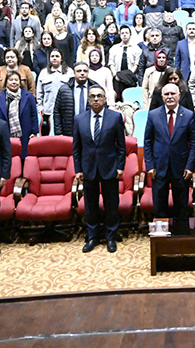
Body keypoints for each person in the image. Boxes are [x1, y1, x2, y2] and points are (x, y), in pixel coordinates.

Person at [73, 86, 127, 253]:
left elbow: (121, 146)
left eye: (99, 96)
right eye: (92, 96)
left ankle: (111, 236)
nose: (96, 99)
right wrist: (78, 169)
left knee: (111, 204)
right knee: (90, 205)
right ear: (88, 100)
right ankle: (93, 237)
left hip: (109, 167)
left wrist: (120, 166)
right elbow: (76, 148)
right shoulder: (79, 119)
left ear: (105, 99)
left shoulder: (115, 117)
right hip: (88, 168)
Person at [144, 83, 195, 220]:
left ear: (179, 95)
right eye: (166, 94)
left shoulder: (188, 115)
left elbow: (193, 144)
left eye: (173, 94)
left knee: (181, 208)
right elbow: (148, 142)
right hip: (159, 167)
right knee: (159, 207)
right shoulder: (153, 115)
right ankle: (161, 232)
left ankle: (180, 232)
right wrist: (149, 165)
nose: (170, 97)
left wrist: (190, 166)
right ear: (162, 97)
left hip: (181, 168)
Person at [0, 71, 38, 160]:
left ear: (20, 82)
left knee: (23, 156)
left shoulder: (28, 96)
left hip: (25, 132)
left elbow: (34, 115)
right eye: (11, 80)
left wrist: (34, 132)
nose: (14, 82)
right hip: (5, 133)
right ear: (6, 82)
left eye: (16, 80)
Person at [36, 48, 74, 136]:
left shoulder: (69, 72)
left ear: (61, 58)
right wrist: (40, 107)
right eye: (52, 56)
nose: (54, 58)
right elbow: (39, 92)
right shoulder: (43, 73)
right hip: (48, 110)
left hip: (64, 111)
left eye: (57, 56)